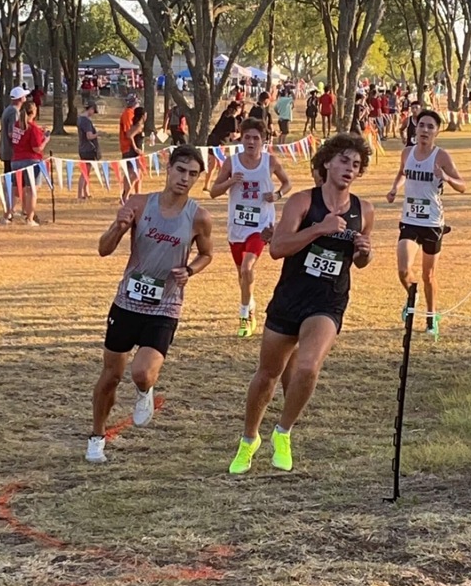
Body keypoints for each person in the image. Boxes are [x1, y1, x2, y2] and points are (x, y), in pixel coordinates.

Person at [228, 133, 374, 475]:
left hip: (328, 299)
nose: (349, 169)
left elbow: (360, 260)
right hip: (290, 297)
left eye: (356, 165)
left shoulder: (364, 210)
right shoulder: (302, 202)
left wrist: (365, 253)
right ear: (326, 163)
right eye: (343, 161)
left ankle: (283, 432)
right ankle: (249, 439)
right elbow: (278, 248)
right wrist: (319, 229)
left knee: (308, 367)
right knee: (268, 374)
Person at [85, 145, 213, 464]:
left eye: (192, 174)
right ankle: (96, 437)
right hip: (127, 302)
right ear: (168, 169)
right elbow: (104, 249)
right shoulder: (140, 204)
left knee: (142, 372)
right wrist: (119, 226)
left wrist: (190, 270)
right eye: (180, 170)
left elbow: (208, 253)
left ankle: (145, 391)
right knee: (111, 375)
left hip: (165, 305)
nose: (185, 178)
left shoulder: (198, 216)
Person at [387, 110, 466, 338]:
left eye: (430, 127)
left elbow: (463, 186)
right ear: (416, 128)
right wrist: (394, 188)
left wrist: (446, 178)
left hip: (432, 222)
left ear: (436, 132)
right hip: (409, 220)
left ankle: (431, 317)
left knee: (428, 275)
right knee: (403, 269)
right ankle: (412, 296)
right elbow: (402, 172)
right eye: (422, 125)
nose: (425, 130)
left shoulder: (441, 157)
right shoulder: (407, 153)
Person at [210, 117, 292, 338]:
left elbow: (287, 183)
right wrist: (230, 182)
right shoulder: (231, 162)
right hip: (236, 228)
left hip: (261, 226)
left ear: (263, 140)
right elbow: (213, 191)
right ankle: (251, 304)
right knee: (242, 275)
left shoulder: (270, 162)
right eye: (247, 137)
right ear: (241, 138)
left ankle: (244, 314)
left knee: (247, 268)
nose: (251, 141)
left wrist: (276, 195)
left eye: (256, 138)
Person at [11, 99, 51, 226]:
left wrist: (40, 131)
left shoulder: (18, 125)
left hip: (16, 160)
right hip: (31, 160)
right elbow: (37, 148)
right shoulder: (32, 128)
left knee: (20, 188)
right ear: (33, 112)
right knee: (32, 190)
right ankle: (30, 218)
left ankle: (21, 211)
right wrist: (46, 140)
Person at [0, 85, 28, 221]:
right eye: (24, 96)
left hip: (6, 150)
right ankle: (9, 210)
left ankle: (11, 209)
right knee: (13, 183)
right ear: (20, 98)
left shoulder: (8, 110)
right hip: (11, 152)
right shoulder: (14, 112)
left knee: (12, 182)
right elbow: (12, 133)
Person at [202, 101, 240, 192]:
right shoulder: (232, 119)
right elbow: (233, 136)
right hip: (220, 143)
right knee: (222, 166)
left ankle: (206, 186)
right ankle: (220, 186)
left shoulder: (225, 114)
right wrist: (242, 134)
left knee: (213, 165)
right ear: (238, 109)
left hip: (212, 139)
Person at [77, 101, 101, 200]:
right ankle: (80, 194)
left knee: (86, 172)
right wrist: (98, 134)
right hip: (88, 148)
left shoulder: (79, 119)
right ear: (90, 109)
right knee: (85, 172)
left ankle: (86, 192)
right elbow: (89, 136)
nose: (93, 113)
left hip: (82, 148)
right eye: (93, 111)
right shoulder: (86, 121)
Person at [119, 94, 139, 201]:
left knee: (131, 173)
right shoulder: (127, 113)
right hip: (128, 147)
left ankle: (126, 194)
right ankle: (125, 196)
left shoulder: (132, 113)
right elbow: (128, 133)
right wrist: (135, 147)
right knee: (133, 174)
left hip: (130, 147)